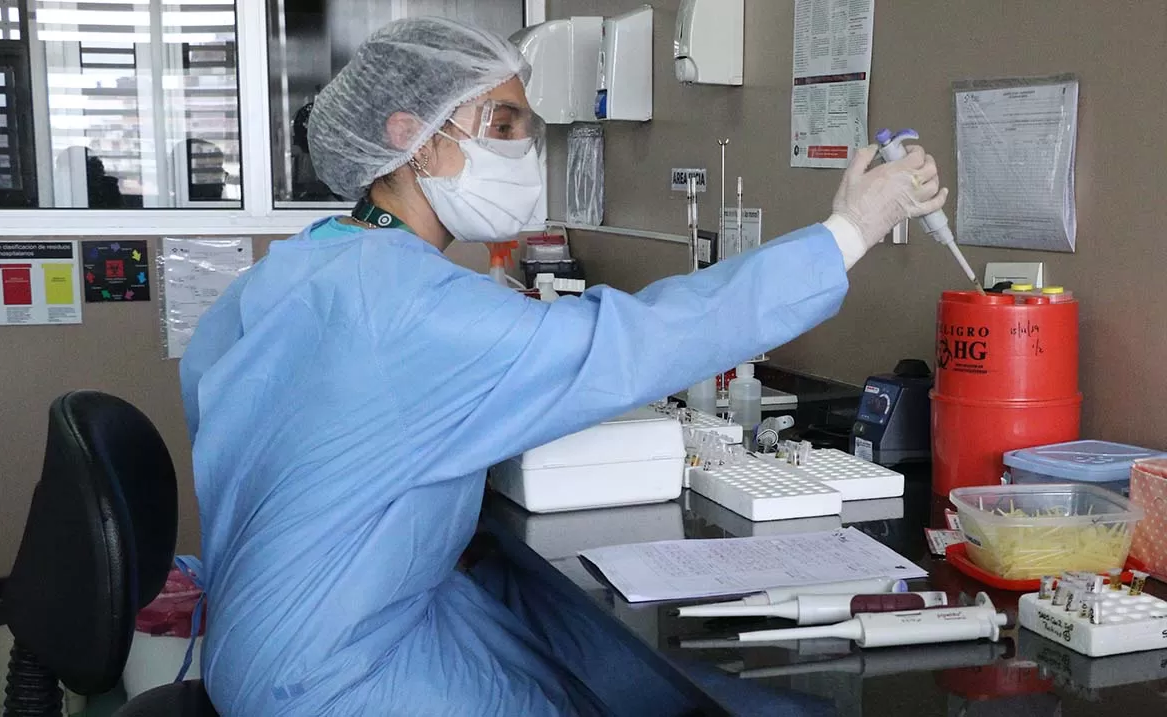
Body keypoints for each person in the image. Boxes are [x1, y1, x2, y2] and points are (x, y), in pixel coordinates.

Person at [178, 16, 947, 717]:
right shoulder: (412, 307)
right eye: (501, 124)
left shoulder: (300, 266)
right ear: (412, 138)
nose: (523, 148)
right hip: (332, 674)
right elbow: (635, 340)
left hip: (267, 635)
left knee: (593, 659)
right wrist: (851, 230)